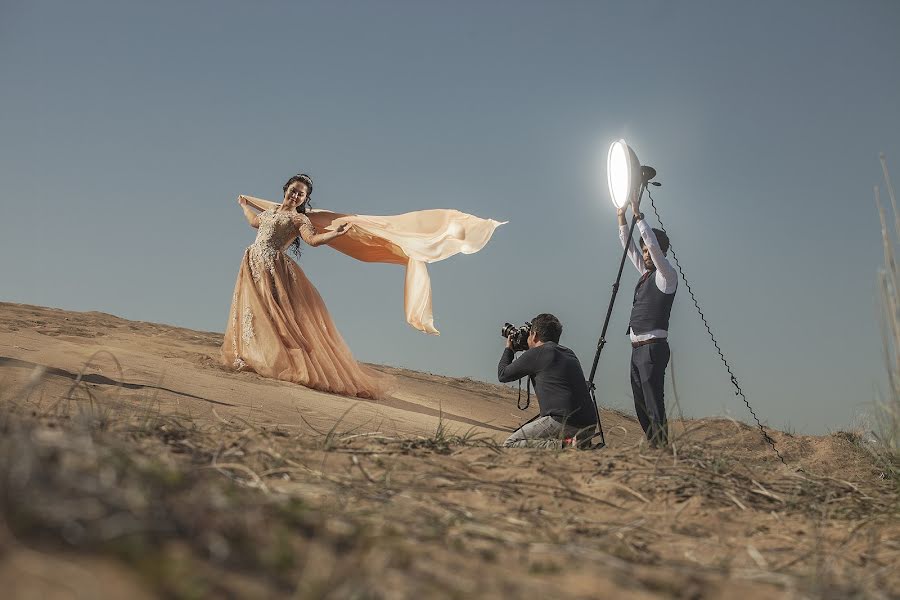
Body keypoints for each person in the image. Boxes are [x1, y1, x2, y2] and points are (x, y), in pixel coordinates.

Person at [222, 173, 388, 399]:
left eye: (301, 194)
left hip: (273, 268)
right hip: (253, 263)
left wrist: (334, 234)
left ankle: (285, 362)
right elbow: (254, 222)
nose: (296, 195)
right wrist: (244, 206)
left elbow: (312, 241)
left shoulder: (299, 220)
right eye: (294, 190)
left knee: (276, 314)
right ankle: (256, 355)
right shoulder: (269, 212)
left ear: (305, 199)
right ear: (285, 189)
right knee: (255, 310)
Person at [618, 192, 677, 447]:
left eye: (648, 250)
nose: (644, 254)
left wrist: (639, 215)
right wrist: (621, 217)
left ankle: (663, 449)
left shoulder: (666, 276)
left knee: (654, 403)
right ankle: (654, 444)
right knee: (640, 402)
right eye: (643, 251)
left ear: (661, 253)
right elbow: (629, 248)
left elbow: (651, 246)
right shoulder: (644, 275)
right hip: (636, 348)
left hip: (652, 348)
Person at [497, 313, 598, 448]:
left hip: (562, 423)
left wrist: (509, 349)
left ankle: (567, 446)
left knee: (511, 444)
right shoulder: (569, 352)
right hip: (589, 425)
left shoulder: (537, 353)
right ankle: (582, 446)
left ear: (534, 335)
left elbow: (503, 374)